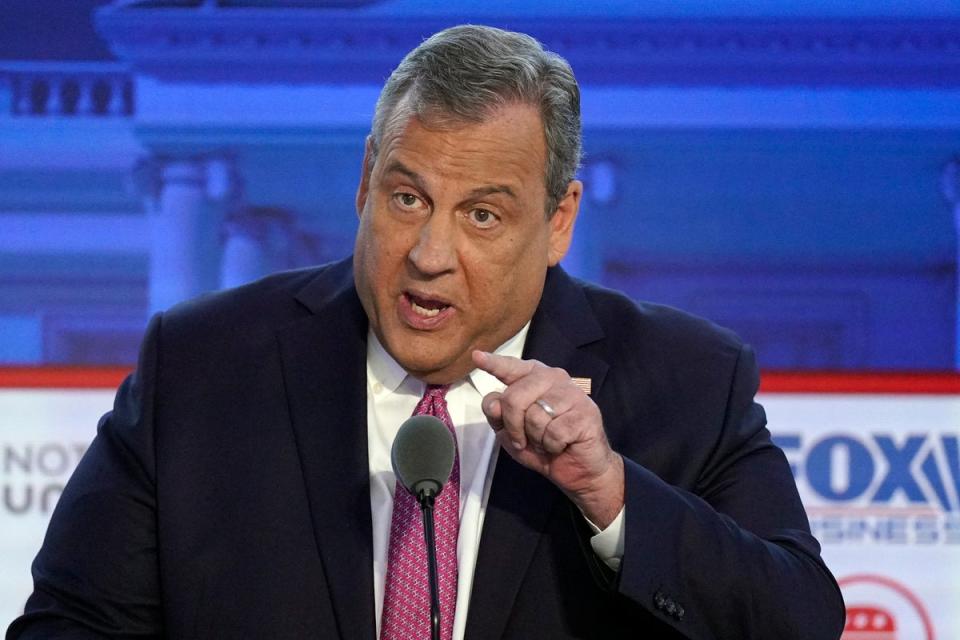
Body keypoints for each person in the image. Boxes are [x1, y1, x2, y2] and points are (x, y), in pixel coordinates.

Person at [7, 24, 844, 639]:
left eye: (483, 215)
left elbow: (799, 622)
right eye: (408, 199)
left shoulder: (688, 381)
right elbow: (68, 626)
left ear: (558, 223)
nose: (430, 255)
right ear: (367, 179)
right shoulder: (202, 367)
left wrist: (611, 495)